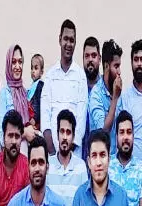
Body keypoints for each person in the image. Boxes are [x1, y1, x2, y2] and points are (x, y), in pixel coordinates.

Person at [41, 20, 87, 157]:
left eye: (72, 40)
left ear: (75, 43)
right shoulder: (50, 76)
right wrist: (53, 153)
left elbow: (81, 119)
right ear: (59, 39)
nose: (68, 44)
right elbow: (45, 116)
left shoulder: (80, 76)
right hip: (52, 154)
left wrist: (68, 151)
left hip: (74, 154)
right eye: (65, 39)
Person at [110, 110, 142, 206]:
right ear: (116, 136)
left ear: (133, 136)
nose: (126, 137)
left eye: (129, 132)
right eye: (122, 132)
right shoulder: (107, 166)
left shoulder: (141, 169)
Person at [0, 109, 29, 206]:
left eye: (17, 136)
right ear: (3, 137)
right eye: (10, 136)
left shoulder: (26, 166)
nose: (14, 141)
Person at [46, 109, 87, 206]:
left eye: (68, 133)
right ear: (57, 134)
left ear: (73, 137)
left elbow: (84, 204)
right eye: (62, 131)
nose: (64, 137)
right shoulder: (47, 165)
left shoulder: (81, 166)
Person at [88, 39, 124, 155]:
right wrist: (115, 98)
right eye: (116, 66)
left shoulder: (118, 91)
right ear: (106, 66)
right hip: (100, 159)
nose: (119, 71)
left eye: (119, 66)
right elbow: (103, 131)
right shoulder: (96, 94)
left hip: (116, 160)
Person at [0, 45, 37, 147]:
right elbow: (2, 137)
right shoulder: (4, 93)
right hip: (12, 153)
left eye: (20, 62)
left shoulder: (25, 93)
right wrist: (24, 133)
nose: (17, 66)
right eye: (13, 62)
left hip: (27, 151)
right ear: (8, 64)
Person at [122, 40, 142, 162]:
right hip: (133, 165)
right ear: (131, 63)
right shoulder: (125, 98)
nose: (139, 64)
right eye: (135, 59)